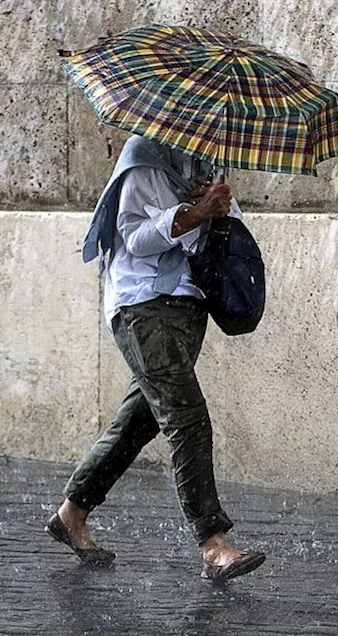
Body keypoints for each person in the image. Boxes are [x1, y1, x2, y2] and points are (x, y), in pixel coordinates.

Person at [45, 135, 266, 583]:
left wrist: (219, 205)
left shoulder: (206, 162)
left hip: (189, 308)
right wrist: (193, 214)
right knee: (187, 417)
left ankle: (72, 513)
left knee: (140, 420)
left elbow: (225, 231)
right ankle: (214, 544)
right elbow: (134, 237)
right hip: (142, 305)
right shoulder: (143, 160)